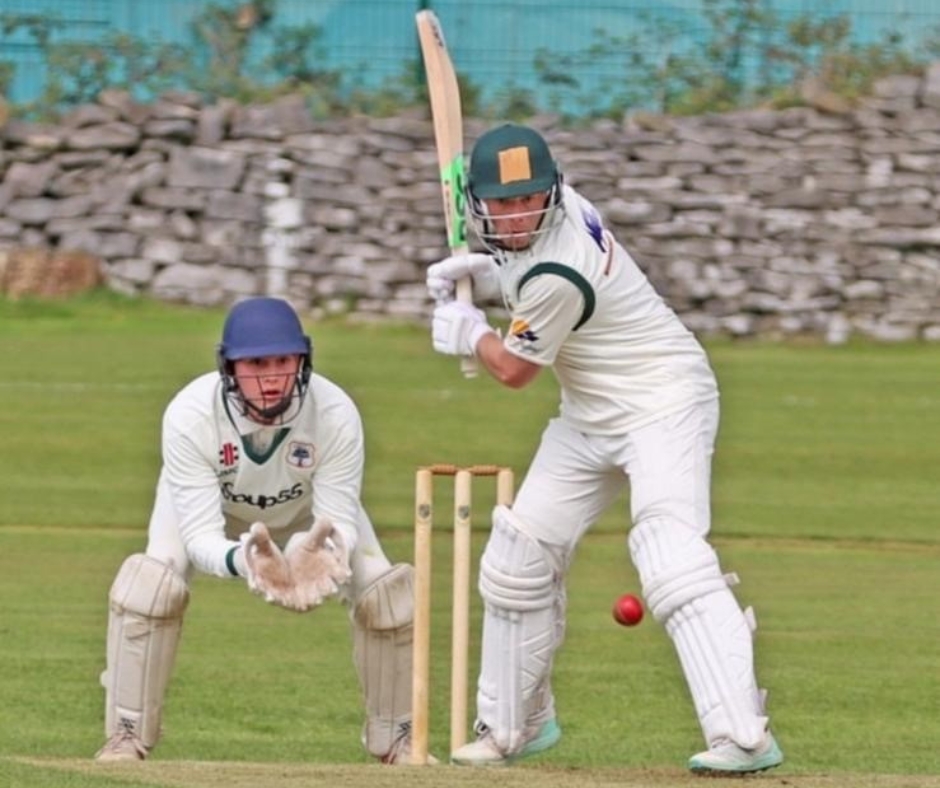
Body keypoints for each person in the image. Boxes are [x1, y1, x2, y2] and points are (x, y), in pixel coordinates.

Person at [425, 123, 783, 775]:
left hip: (663, 401)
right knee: (518, 554)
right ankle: (515, 727)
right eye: (502, 204)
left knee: (669, 553)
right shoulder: (553, 229)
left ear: (552, 191)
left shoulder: (559, 274)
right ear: (478, 205)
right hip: (590, 411)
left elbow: (513, 370)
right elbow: (523, 272)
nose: (517, 213)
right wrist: (489, 270)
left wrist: (468, 331)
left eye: (529, 199)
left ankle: (745, 735)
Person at [95, 296, 420, 765]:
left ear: (302, 361)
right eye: (255, 363)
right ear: (228, 366)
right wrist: (243, 558)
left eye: (283, 361)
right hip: (214, 506)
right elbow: (202, 536)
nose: (270, 378)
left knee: (386, 594)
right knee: (151, 587)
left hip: (308, 509)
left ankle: (399, 738)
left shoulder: (335, 412)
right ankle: (126, 735)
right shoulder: (190, 414)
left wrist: (324, 552)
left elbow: (339, 516)